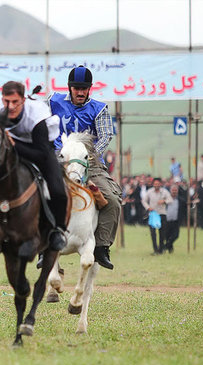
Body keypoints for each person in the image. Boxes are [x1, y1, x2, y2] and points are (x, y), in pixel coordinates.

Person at [0, 81, 68, 253]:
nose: (11, 106)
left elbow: (42, 154)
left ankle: (57, 231)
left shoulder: (36, 114)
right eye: (7, 101)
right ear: (2, 99)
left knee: (58, 190)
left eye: (15, 102)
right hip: (7, 149)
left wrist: (15, 145)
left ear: (23, 100)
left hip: (37, 149)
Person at [48, 65, 122, 269]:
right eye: (76, 88)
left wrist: (86, 156)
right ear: (69, 87)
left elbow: (106, 135)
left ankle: (101, 246)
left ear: (90, 88)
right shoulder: (53, 101)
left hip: (89, 163)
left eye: (84, 88)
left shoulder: (99, 109)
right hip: (59, 161)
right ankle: (42, 245)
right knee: (35, 193)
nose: (80, 92)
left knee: (113, 200)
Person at [142, 178, 172, 255]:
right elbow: (143, 200)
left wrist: (164, 201)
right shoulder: (150, 192)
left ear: (160, 184)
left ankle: (161, 250)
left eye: (158, 184)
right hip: (153, 214)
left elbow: (170, 199)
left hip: (162, 214)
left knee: (162, 233)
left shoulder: (164, 192)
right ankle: (155, 249)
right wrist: (148, 207)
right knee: (153, 233)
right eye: (155, 184)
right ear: (153, 184)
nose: (156, 185)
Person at [164, 184, 181, 253]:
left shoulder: (180, 200)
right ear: (170, 191)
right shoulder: (166, 199)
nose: (174, 191)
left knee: (175, 235)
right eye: (173, 190)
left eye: (175, 190)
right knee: (167, 236)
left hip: (176, 220)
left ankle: (165, 247)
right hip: (167, 220)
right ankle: (170, 249)